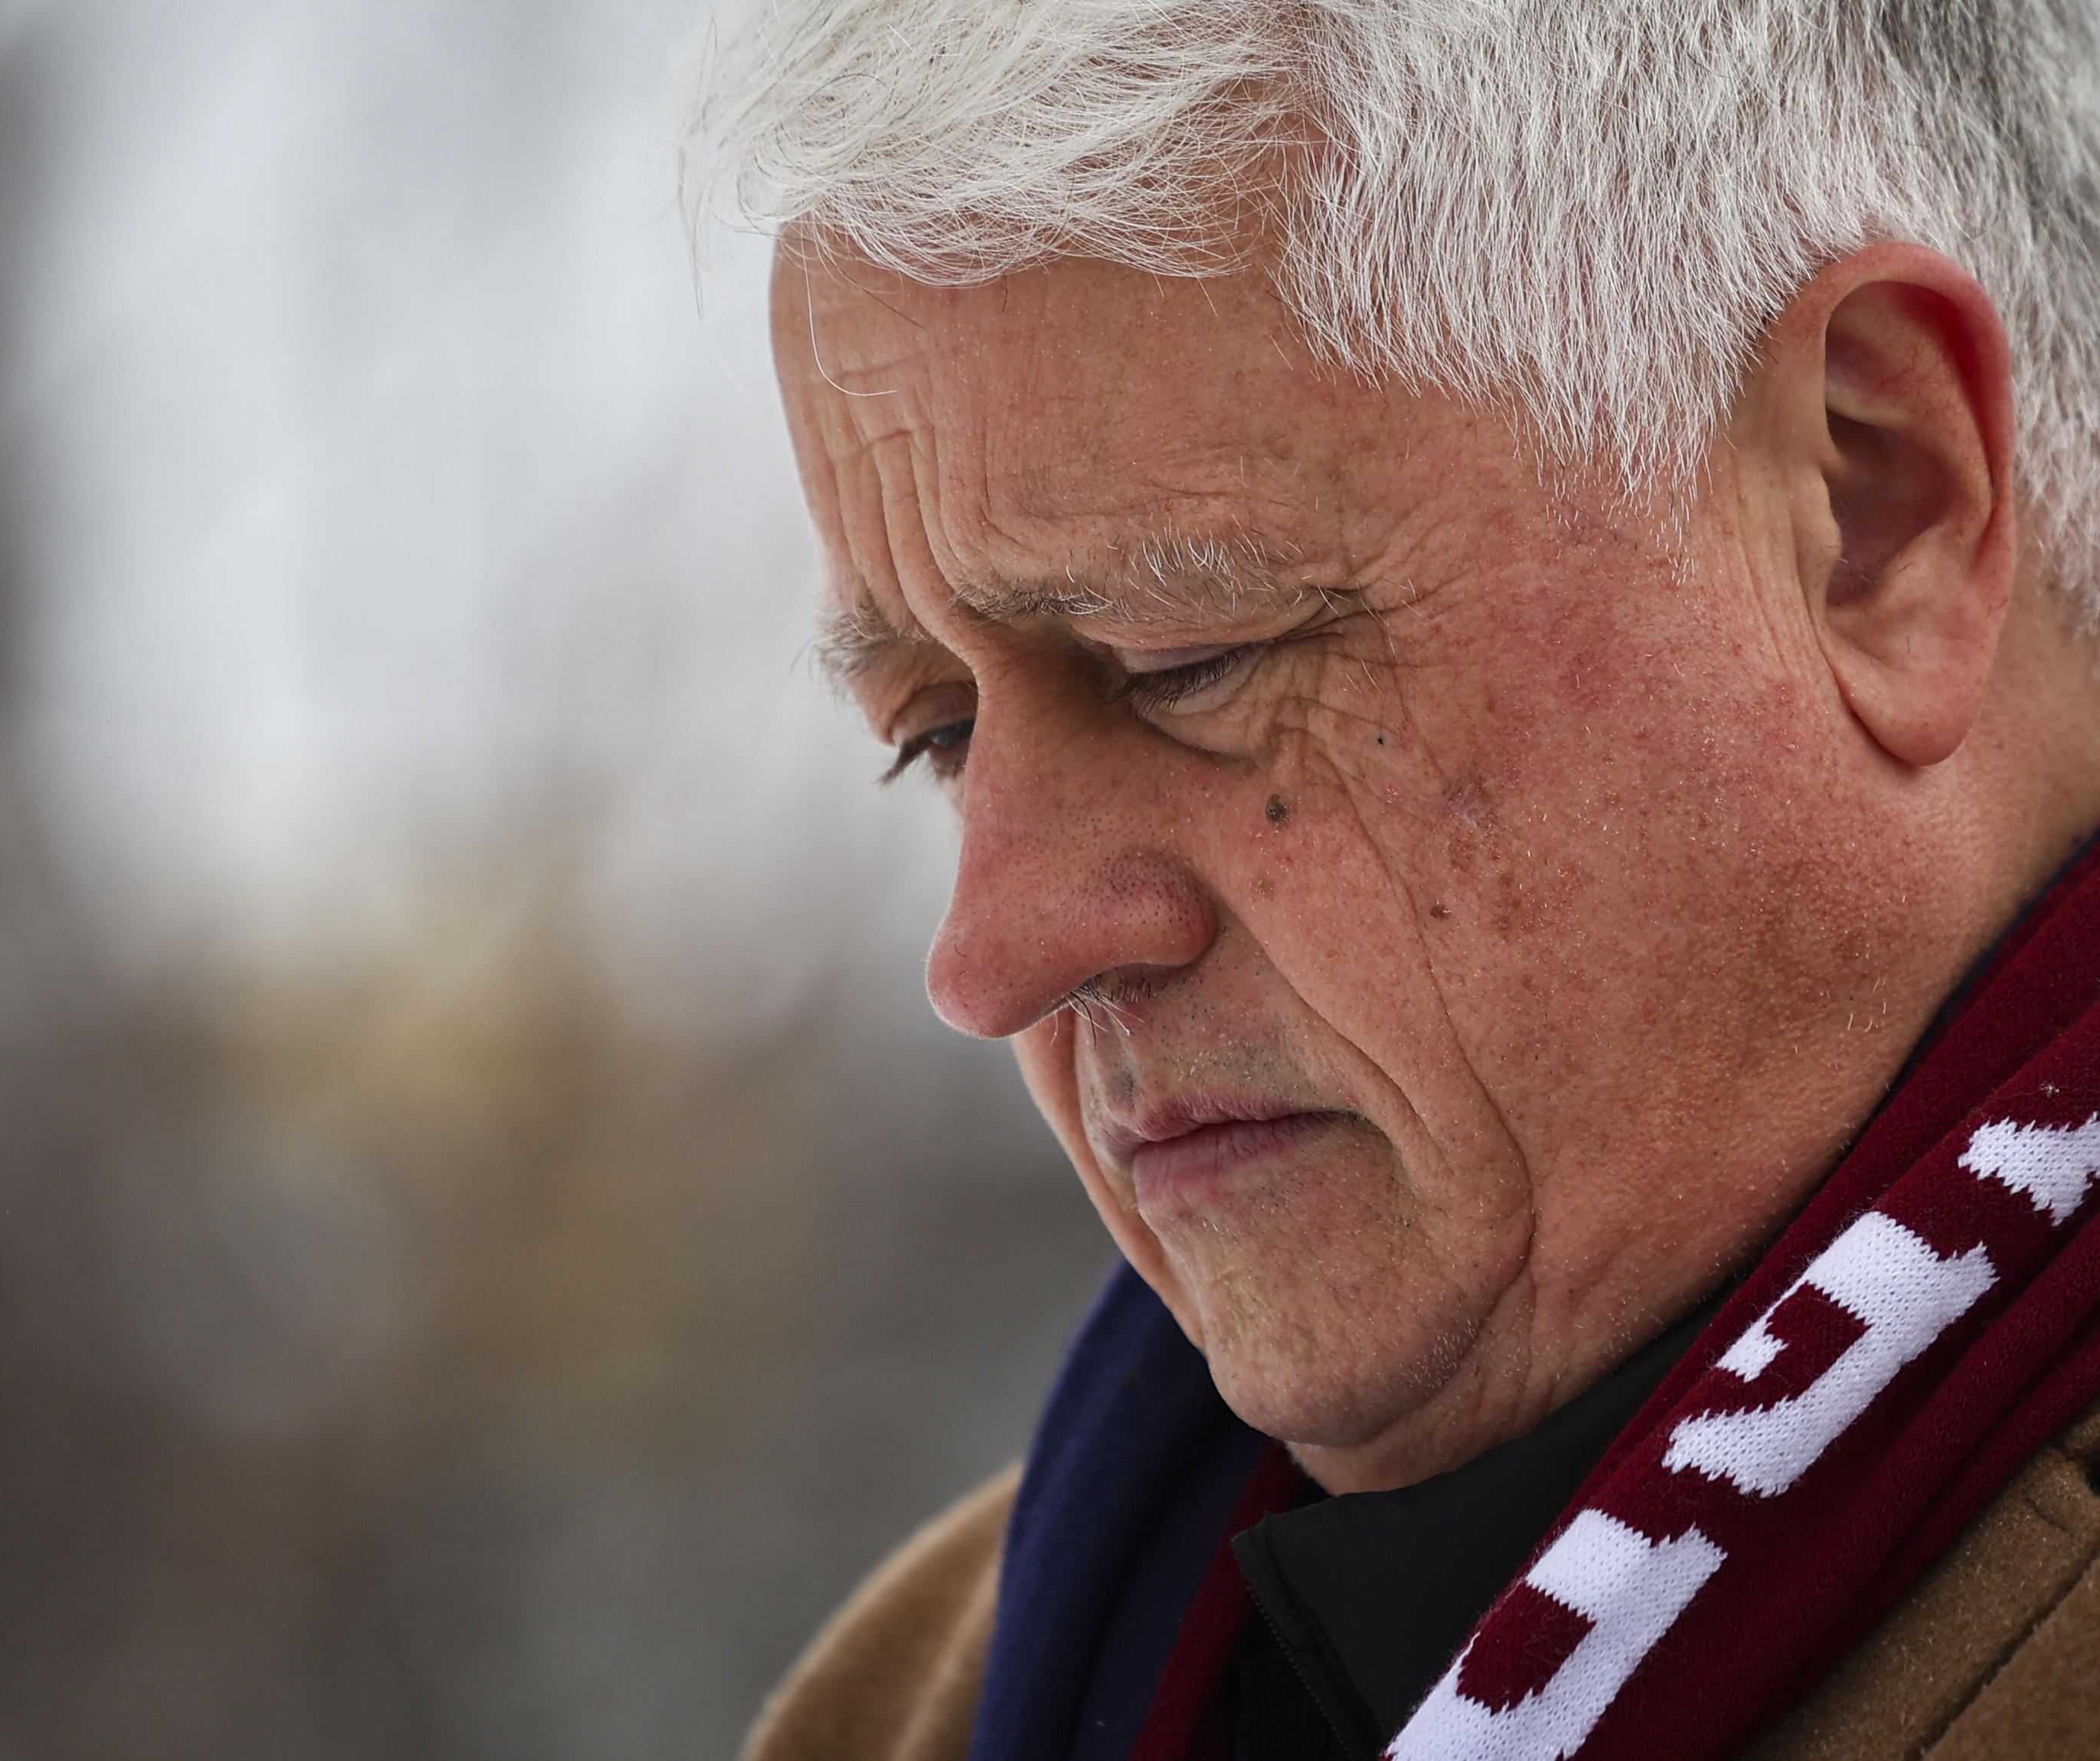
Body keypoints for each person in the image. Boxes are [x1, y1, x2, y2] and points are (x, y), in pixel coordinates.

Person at [690, 2, 2100, 1755]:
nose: (991, 957)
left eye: (1181, 659)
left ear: (1873, 503)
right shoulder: (940, 1690)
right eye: (939, 735)